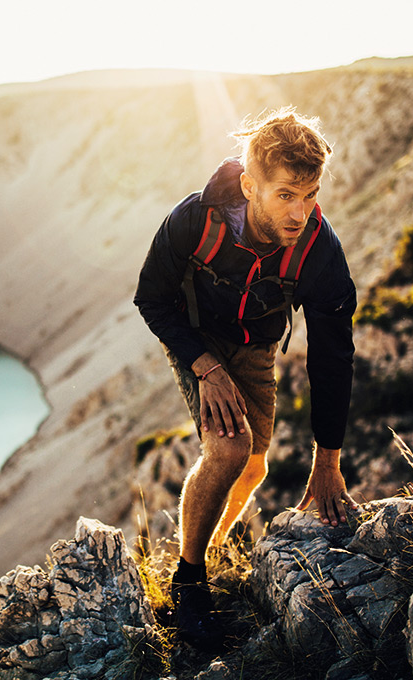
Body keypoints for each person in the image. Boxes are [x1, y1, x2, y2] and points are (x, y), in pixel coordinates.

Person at [133, 107, 358, 649]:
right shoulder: (195, 219)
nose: (300, 213)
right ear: (249, 184)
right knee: (230, 449)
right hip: (195, 338)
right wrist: (205, 367)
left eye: (309, 195)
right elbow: (152, 300)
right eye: (285, 195)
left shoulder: (318, 252)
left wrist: (327, 463)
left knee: (254, 465)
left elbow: (332, 356)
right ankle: (189, 582)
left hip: (256, 345)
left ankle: (208, 547)